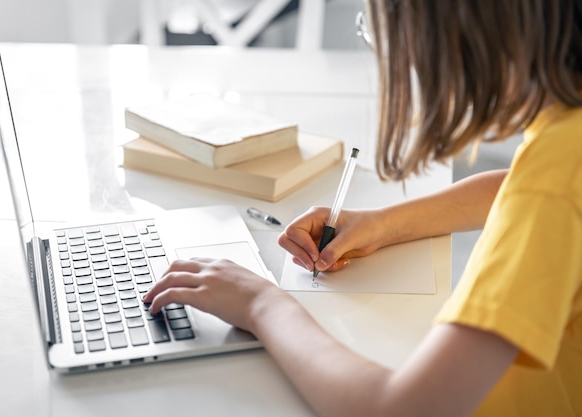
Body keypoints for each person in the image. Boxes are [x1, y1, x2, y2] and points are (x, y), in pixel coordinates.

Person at [143, 1, 582, 415]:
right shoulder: (567, 136)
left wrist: (261, 304)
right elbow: (514, 189)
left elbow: (401, 408)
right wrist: (382, 224)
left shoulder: (552, 183)